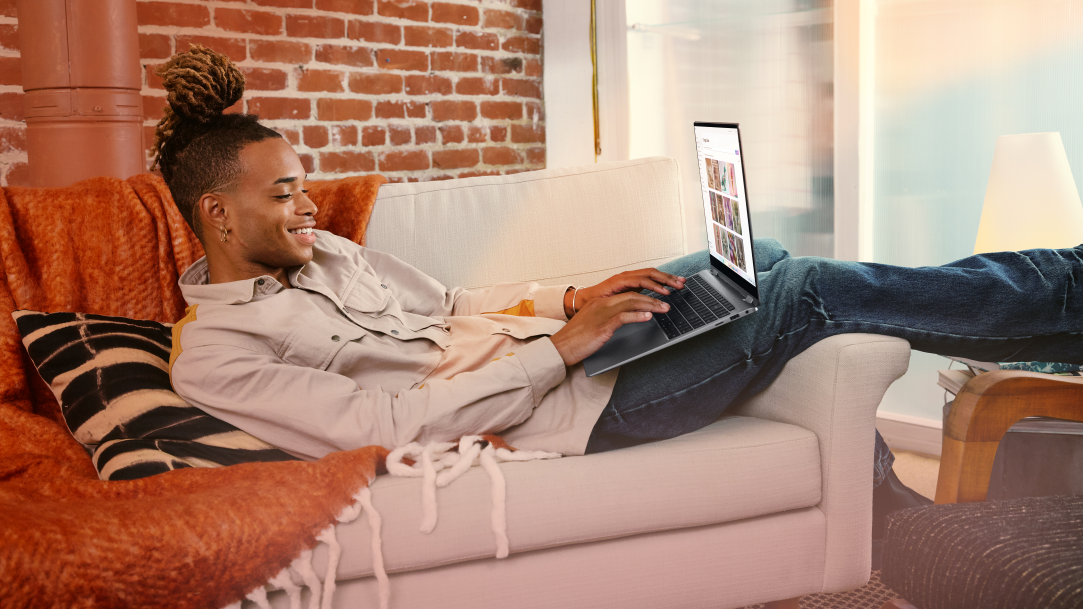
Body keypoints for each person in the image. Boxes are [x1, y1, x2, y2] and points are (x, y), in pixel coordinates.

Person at [161, 47, 1082, 538]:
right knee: (794, 291)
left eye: (303, 185)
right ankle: (1064, 291)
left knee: (746, 258)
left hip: (576, 357)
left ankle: (895, 510)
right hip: (568, 411)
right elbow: (394, 423)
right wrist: (560, 350)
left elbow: (455, 302)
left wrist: (572, 301)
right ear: (217, 213)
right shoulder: (216, 356)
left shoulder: (323, 254)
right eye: (283, 194)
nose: (308, 207)